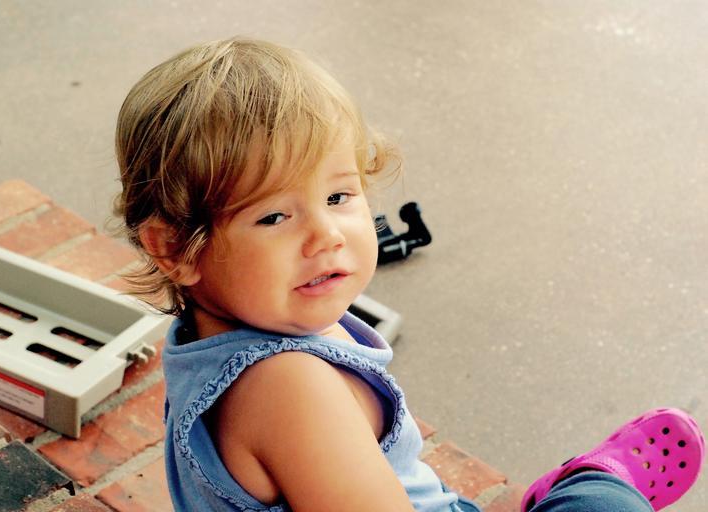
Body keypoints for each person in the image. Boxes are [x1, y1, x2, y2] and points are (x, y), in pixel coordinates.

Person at [112, 37, 705, 512]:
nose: (327, 235)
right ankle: (592, 483)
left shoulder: (210, 336)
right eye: (274, 216)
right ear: (176, 248)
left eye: (339, 196)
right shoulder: (288, 389)